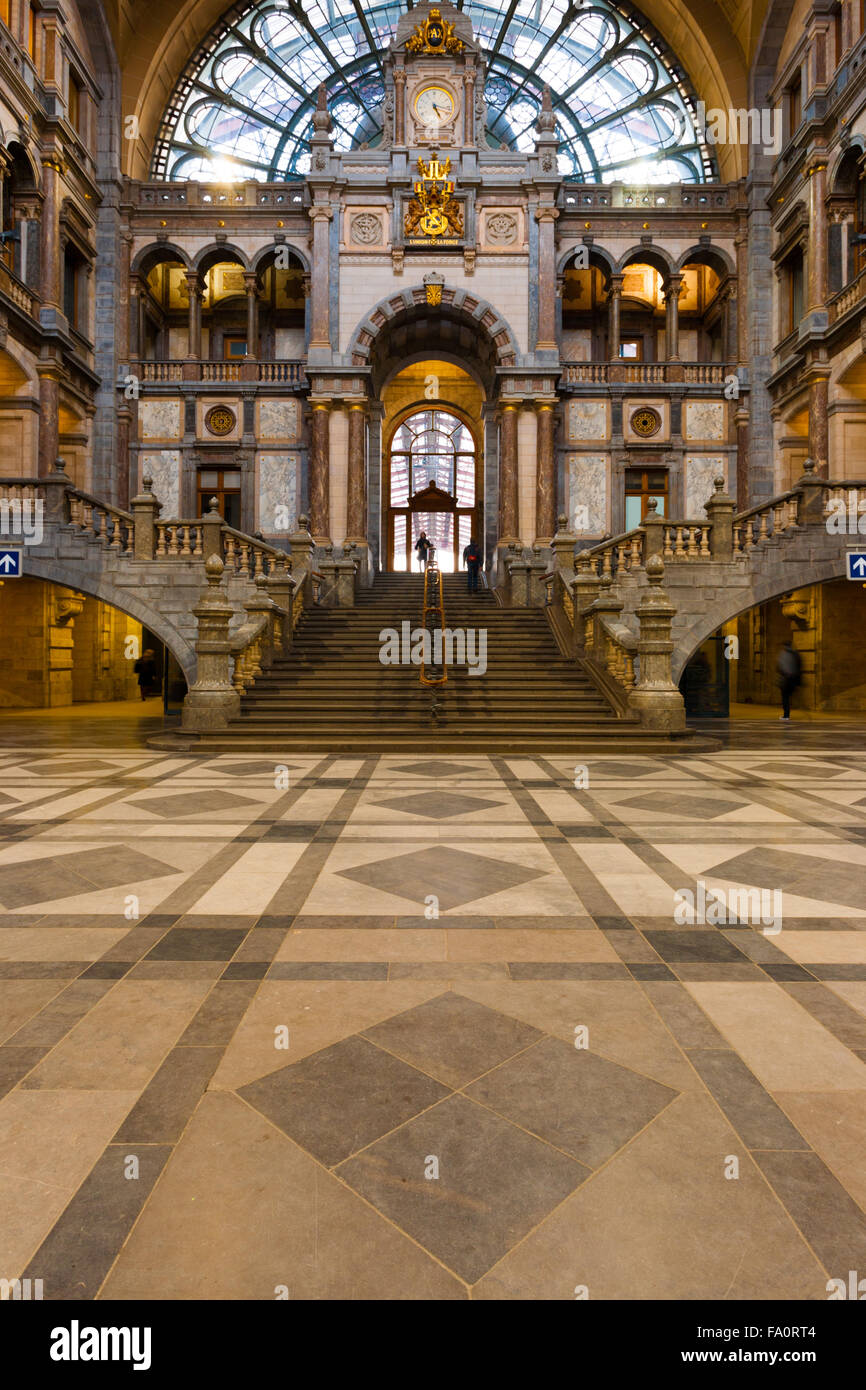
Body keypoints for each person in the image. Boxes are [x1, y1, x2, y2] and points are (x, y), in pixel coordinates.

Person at [776, 641, 801, 721]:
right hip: (794, 678)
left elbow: (780, 666)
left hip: (786, 679)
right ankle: (787, 713)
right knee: (788, 696)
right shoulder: (795, 654)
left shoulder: (783, 654)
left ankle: (786, 715)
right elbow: (799, 665)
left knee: (785, 697)